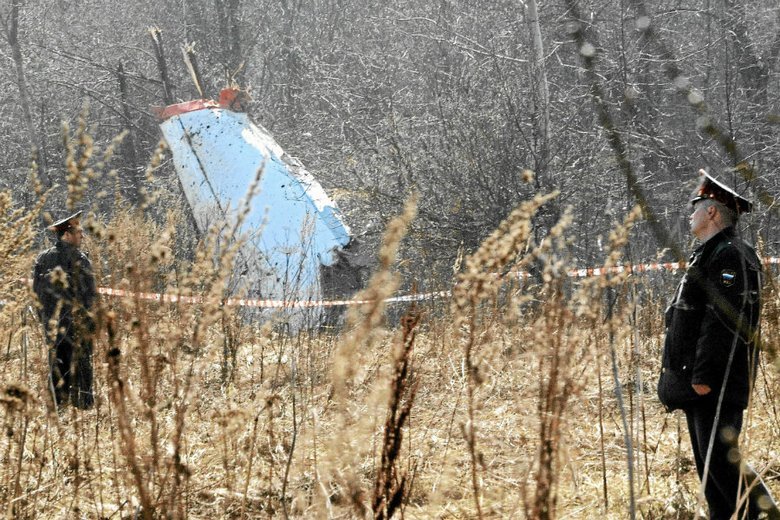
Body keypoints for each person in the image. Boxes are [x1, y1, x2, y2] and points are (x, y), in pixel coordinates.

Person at [658, 170, 779, 519]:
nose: (690, 214)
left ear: (712, 212)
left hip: (715, 383)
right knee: (712, 477)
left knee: (724, 465)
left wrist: (704, 375)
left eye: (695, 207)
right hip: (697, 382)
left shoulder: (730, 255)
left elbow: (723, 322)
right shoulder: (709, 254)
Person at [32, 210, 97, 409]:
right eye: (79, 232)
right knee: (82, 373)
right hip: (77, 328)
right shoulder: (80, 260)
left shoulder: (43, 258)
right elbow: (89, 297)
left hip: (53, 327)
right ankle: (83, 411)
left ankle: (56, 411)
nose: (82, 236)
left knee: (57, 371)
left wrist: (45, 320)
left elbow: (36, 295)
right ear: (67, 235)